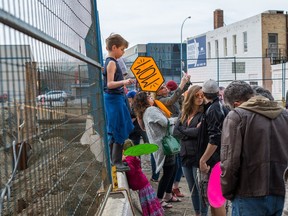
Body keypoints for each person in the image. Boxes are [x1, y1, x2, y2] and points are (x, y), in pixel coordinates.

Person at [220, 80, 288, 215]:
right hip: (280, 190)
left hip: (247, 193)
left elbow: (230, 162)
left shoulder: (236, 116)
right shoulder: (284, 115)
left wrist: (227, 191)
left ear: (235, 104)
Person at [134, 91, 179, 209]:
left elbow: (143, 127)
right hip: (164, 144)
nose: (150, 97)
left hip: (160, 144)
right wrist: (176, 119)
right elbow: (165, 123)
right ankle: (159, 199)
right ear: (144, 100)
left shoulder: (144, 112)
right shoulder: (151, 110)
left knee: (173, 168)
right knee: (169, 171)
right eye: (148, 96)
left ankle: (168, 195)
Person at [173, 85, 208, 216]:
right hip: (185, 155)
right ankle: (197, 213)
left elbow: (200, 133)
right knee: (192, 188)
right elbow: (174, 131)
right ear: (191, 96)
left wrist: (184, 131)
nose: (200, 98)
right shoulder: (184, 112)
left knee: (200, 189)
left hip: (198, 155)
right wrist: (190, 132)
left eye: (202, 96)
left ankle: (203, 214)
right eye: (197, 95)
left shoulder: (204, 113)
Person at [103, 33, 135, 172]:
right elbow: (109, 84)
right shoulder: (111, 62)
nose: (122, 52)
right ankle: (116, 162)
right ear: (114, 47)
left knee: (118, 127)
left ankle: (115, 160)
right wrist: (124, 82)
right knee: (118, 128)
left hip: (116, 98)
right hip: (114, 99)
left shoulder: (111, 61)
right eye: (122, 49)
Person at [198, 79, 228, 216]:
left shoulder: (214, 109)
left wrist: (203, 159)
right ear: (217, 92)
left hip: (216, 160)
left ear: (203, 93)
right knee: (213, 197)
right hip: (219, 158)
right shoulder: (218, 106)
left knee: (216, 198)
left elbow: (214, 138)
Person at [123, 139, 164, 216]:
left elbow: (131, 171)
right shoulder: (134, 156)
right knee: (151, 204)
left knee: (147, 204)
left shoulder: (129, 158)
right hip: (144, 184)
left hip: (141, 186)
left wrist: (124, 162)